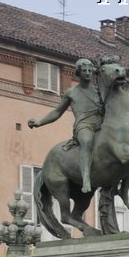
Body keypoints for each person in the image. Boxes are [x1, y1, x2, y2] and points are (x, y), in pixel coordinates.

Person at [27, 57, 104, 194]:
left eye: (89, 70)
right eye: (84, 70)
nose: (87, 73)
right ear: (78, 73)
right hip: (84, 125)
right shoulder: (72, 93)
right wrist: (39, 122)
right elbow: (57, 112)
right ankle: (86, 179)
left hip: (101, 124)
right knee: (86, 142)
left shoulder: (99, 91)